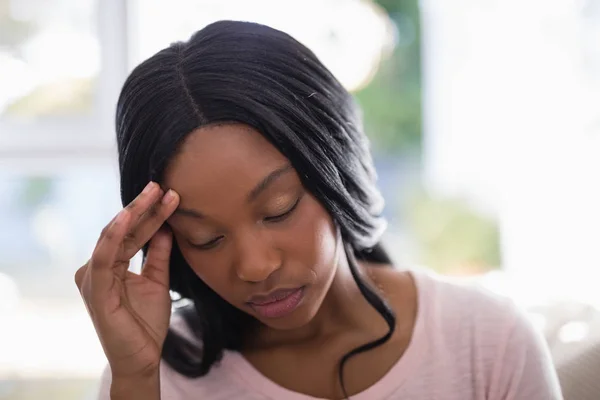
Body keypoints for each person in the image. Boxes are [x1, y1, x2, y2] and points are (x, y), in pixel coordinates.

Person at [74, 20, 562, 400]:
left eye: (279, 209)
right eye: (206, 238)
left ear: (336, 170)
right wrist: (136, 379)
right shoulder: (156, 373)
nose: (255, 267)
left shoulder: (487, 341)